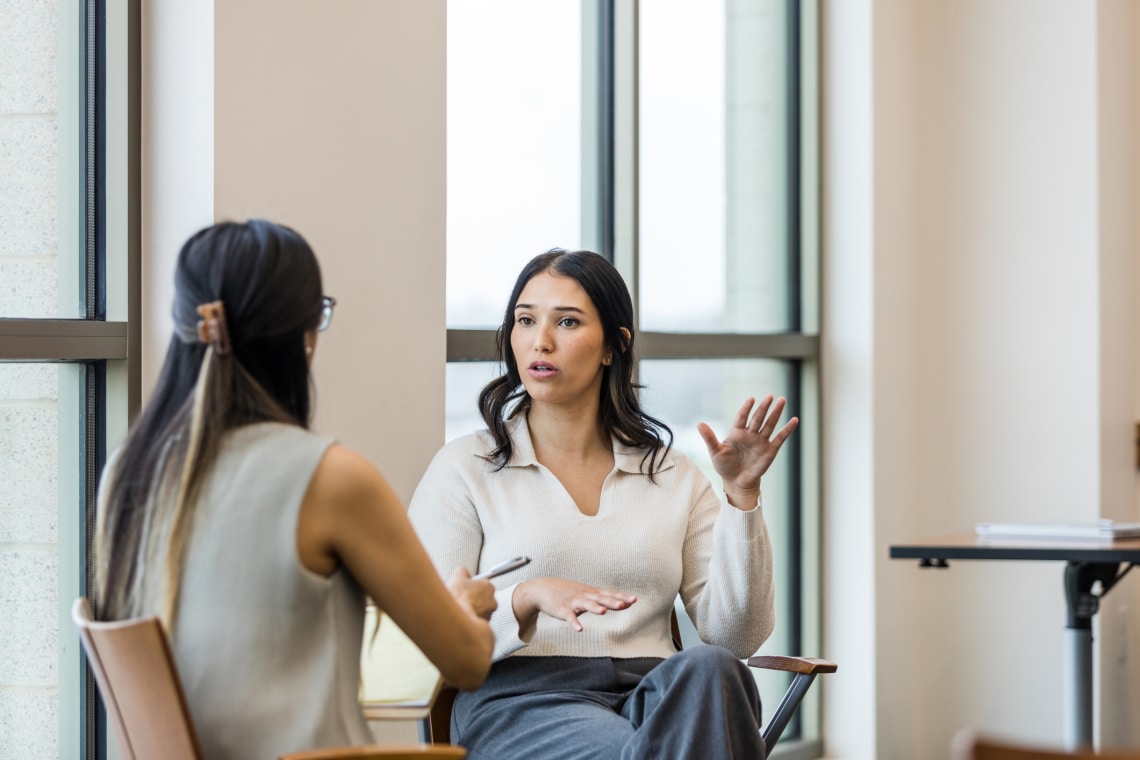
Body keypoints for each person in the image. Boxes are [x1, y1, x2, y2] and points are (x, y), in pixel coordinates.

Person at [92, 220, 496, 759]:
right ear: (303, 335)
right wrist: (465, 607)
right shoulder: (331, 479)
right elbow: (466, 662)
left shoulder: (127, 471)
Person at [408, 248, 799, 759]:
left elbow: (737, 639)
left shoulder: (671, 473)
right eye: (525, 320)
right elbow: (426, 632)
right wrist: (525, 597)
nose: (540, 341)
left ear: (614, 346)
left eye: (567, 322)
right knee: (650, 748)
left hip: (653, 693)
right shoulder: (465, 468)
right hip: (523, 701)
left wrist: (742, 497)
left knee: (713, 672)